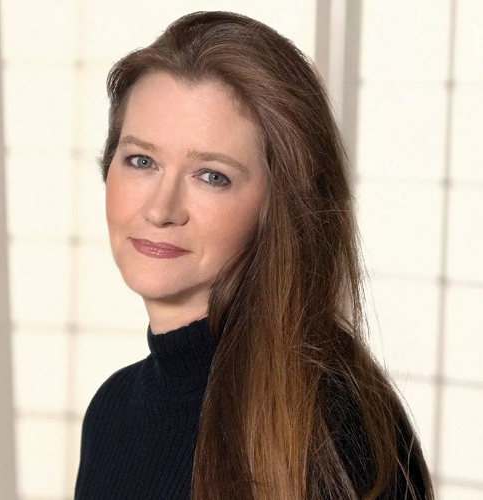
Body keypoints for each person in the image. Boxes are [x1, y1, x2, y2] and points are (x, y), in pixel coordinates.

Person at [74, 10, 434, 500]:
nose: (161, 210)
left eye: (212, 176)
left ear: (277, 206)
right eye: (142, 160)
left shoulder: (330, 428)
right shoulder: (112, 412)